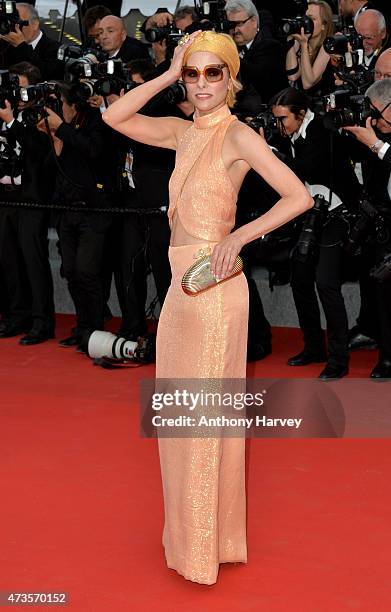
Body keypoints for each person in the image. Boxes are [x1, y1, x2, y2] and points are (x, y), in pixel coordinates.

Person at [103, 30, 312, 585]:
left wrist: (239, 236)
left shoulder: (239, 135)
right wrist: (167, 73)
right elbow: (114, 118)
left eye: (211, 73)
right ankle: (198, 537)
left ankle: (202, 552)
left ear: (230, 77)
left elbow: (299, 197)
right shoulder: (180, 132)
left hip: (216, 291)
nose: (200, 84)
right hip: (179, 288)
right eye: (192, 75)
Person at [270, 87, 361, 379]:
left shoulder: (322, 129)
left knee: (326, 284)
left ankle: (338, 359)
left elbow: (306, 169)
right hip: (309, 212)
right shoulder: (291, 133)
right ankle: (313, 347)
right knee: (300, 280)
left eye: (283, 119)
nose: (279, 125)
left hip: (336, 214)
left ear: (300, 113)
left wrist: (269, 155)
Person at [343, 78, 391, 378]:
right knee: (382, 290)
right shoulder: (379, 134)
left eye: (375, 111)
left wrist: (375, 143)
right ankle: (387, 355)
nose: (371, 119)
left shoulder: (381, 141)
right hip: (383, 223)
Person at [0, 3, 63, 80]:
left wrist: (21, 46)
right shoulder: (7, 47)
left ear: (35, 24)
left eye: (18, 22)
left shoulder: (56, 49)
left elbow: (46, 75)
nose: (14, 28)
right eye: (10, 23)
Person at [285, 0, 335, 95]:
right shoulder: (301, 43)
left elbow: (307, 83)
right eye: (305, 18)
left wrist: (304, 45)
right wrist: (290, 41)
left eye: (312, 19)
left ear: (323, 26)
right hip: (303, 103)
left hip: (322, 103)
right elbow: (292, 76)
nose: (306, 22)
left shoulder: (328, 46)